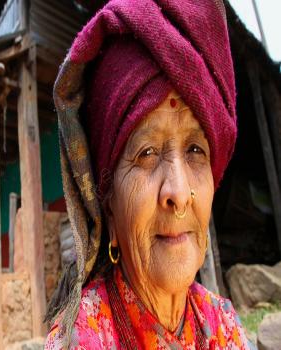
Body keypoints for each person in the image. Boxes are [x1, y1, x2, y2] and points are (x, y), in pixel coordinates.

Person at [45, 0, 254, 348]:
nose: (179, 190)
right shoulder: (82, 339)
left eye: (195, 150)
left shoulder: (223, 322)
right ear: (108, 208)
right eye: (147, 153)